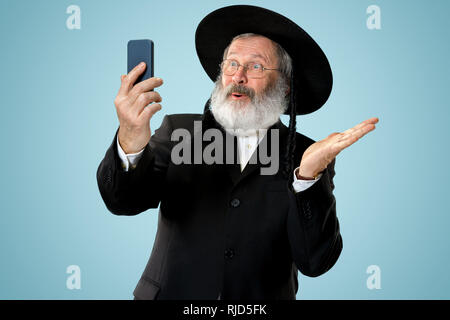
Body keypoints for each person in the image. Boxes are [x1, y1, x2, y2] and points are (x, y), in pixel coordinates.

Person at [97, 5, 378, 300]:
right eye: (231, 64)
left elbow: (315, 261)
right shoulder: (179, 131)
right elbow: (123, 202)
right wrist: (130, 138)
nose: (239, 76)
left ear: (284, 86)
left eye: (256, 66)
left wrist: (306, 177)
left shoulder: (308, 154)